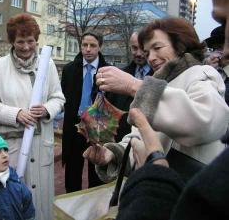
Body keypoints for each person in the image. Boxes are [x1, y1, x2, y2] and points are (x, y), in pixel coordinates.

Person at [84, 17, 229, 182]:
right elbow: (141, 139)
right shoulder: (158, 86)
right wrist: (113, 154)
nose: (151, 58)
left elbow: (206, 122)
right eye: (147, 53)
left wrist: (133, 85)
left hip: (190, 196)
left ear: (180, 45)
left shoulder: (201, 74)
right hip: (158, 193)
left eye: (157, 47)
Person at [0, 13, 65, 220]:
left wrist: (47, 110)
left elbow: (58, 98)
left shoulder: (49, 65)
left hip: (41, 146)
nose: (26, 47)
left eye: (31, 41)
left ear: (36, 40)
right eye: (20, 41)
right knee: (15, 202)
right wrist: (16, 114)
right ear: (12, 41)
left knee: (41, 206)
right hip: (12, 148)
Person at [61, 31, 114, 193]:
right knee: (72, 171)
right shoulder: (69, 69)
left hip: (97, 128)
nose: (88, 49)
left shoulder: (109, 71)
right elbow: (63, 97)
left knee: (96, 172)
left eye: (93, 45)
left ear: (100, 47)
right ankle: (72, 206)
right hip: (74, 126)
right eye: (85, 45)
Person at [105, 32, 153, 141]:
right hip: (119, 143)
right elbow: (109, 110)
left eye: (143, 49)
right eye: (135, 48)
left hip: (147, 142)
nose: (139, 53)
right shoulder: (119, 75)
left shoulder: (159, 77)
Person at [204, 25, 229, 105]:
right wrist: (207, 71)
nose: (218, 53)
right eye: (215, 49)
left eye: (221, 48)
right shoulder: (209, 69)